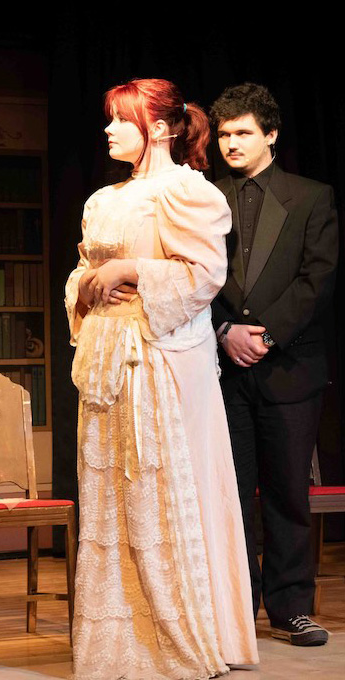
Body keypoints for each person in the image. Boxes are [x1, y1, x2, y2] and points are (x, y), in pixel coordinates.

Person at [65, 78, 258, 680]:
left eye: (120, 119)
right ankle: (119, 637)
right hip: (106, 357)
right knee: (112, 493)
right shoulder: (103, 199)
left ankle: (184, 631)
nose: (109, 129)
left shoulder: (187, 191)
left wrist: (130, 268)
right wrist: (89, 284)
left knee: (163, 485)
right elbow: (81, 269)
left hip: (162, 358)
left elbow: (203, 275)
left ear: (156, 127)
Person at [209, 83, 338, 646]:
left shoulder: (311, 196)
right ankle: (238, 610)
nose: (231, 143)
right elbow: (194, 278)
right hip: (222, 371)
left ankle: (291, 609)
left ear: (271, 135)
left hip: (288, 367)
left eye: (243, 132)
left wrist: (265, 334)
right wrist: (224, 331)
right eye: (223, 134)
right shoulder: (206, 197)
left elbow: (318, 277)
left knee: (288, 493)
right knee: (231, 495)